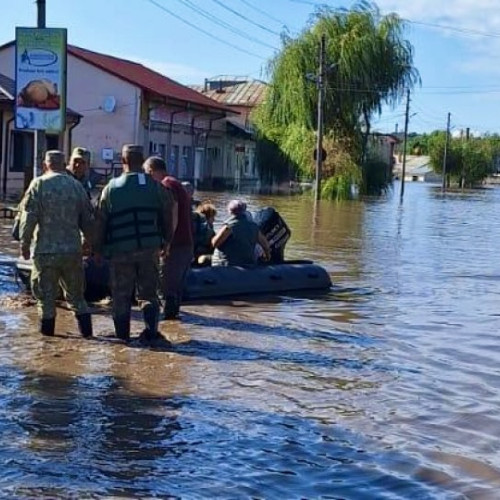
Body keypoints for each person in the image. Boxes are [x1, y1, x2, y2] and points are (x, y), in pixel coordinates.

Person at [94, 145, 175, 342]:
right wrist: (166, 241)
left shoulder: (110, 188)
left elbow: (100, 221)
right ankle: (151, 333)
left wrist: (97, 249)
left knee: (121, 296)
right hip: (149, 249)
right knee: (148, 294)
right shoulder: (157, 187)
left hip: (120, 250)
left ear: (123, 161)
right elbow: (168, 214)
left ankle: (123, 338)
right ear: (143, 160)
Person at [19, 150, 94, 337]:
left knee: (45, 300)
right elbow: (88, 220)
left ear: (46, 165)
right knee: (77, 299)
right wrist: (89, 243)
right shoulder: (77, 186)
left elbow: (28, 218)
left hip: (46, 252)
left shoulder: (38, 184)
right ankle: (88, 338)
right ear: (63, 164)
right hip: (72, 252)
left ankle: (48, 344)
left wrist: (24, 244)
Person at [143, 157, 193, 320]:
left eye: (146, 173)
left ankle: (167, 324)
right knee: (175, 288)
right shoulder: (176, 183)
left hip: (176, 245)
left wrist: (167, 242)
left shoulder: (167, 184)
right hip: (185, 244)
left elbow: (173, 213)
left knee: (167, 287)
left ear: (151, 171)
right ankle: (174, 324)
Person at [212, 199, 271, 267]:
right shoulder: (254, 227)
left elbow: (215, 243)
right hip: (248, 265)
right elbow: (265, 245)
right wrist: (267, 255)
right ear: (244, 211)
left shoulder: (229, 226)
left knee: (204, 259)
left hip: (227, 265)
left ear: (230, 211)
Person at [193, 201, 217, 265]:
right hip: (202, 259)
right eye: (213, 217)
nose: (214, 220)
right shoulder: (209, 231)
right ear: (207, 217)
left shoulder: (191, 226)